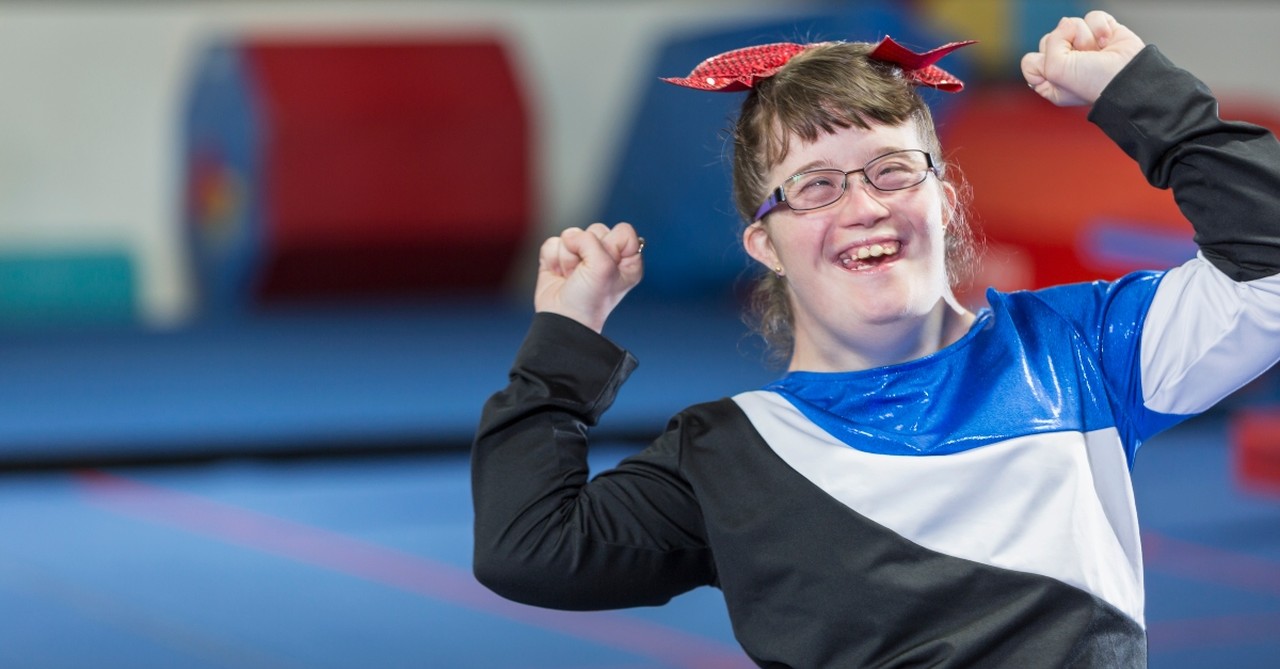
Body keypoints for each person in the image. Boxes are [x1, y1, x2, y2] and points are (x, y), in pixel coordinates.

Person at [471, 10, 1280, 667]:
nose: (863, 207)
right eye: (816, 186)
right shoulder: (731, 453)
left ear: (943, 194)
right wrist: (565, 338)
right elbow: (528, 548)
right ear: (765, 244)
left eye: (893, 169)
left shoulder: (1077, 351)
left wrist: (1147, 98)